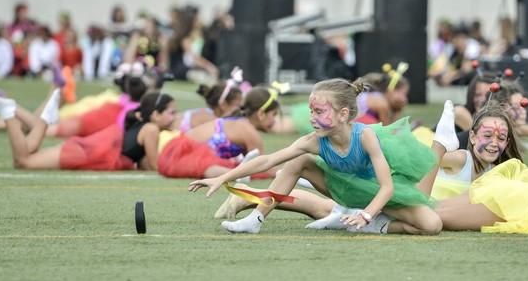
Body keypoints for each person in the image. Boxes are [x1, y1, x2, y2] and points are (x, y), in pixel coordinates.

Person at [188, 78, 443, 235]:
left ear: (343, 114)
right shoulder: (314, 141)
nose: (312, 117)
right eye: (311, 110)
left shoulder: (365, 136)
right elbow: (268, 160)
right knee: (299, 160)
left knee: (431, 225)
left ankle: (374, 224)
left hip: (379, 194)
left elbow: (387, 187)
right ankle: (255, 218)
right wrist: (223, 178)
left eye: (319, 111)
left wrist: (367, 215)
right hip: (345, 190)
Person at [0, 89, 174, 171]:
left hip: (88, 150)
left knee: (28, 154)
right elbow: (154, 166)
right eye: (171, 113)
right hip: (86, 154)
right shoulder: (151, 130)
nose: (175, 117)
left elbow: (141, 163)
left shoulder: (142, 126)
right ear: (156, 115)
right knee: (23, 162)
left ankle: (43, 120)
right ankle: (9, 113)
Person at [158, 86, 279, 179]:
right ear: (261, 114)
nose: (275, 120)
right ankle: (234, 177)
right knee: (223, 169)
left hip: (173, 151)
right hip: (182, 154)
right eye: (273, 114)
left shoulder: (239, 121)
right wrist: (284, 172)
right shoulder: (249, 131)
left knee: (230, 167)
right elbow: (262, 166)